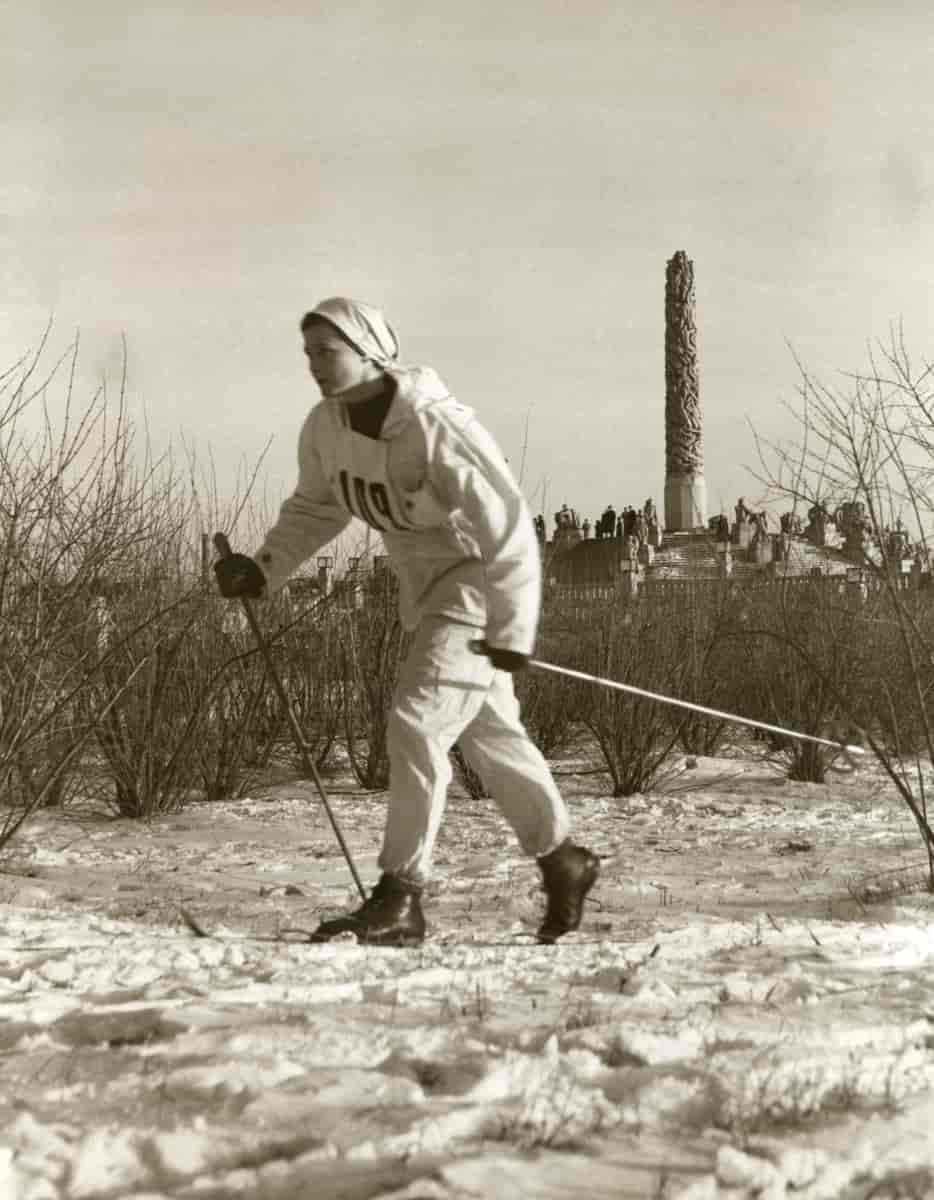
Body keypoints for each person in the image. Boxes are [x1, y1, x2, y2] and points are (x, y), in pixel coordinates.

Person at [214, 297, 599, 946]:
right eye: (307, 352)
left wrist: (512, 626)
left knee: (416, 723)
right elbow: (316, 507)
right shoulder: (325, 427)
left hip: (477, 587)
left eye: (326, 351)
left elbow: (507, 526)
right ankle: (564, 859)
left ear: (369, 351)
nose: (313, 365)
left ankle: (401, 897)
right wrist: (264, 568)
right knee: (490, 739)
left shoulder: (435, 426)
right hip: (424, 596)